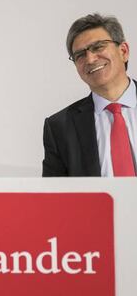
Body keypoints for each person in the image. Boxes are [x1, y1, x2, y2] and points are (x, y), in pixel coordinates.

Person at [42, 13, 136, 177]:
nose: (90, 59)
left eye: (98, 47)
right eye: (80, 55)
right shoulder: (60, 127)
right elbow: (54, 198)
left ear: (123, 51)